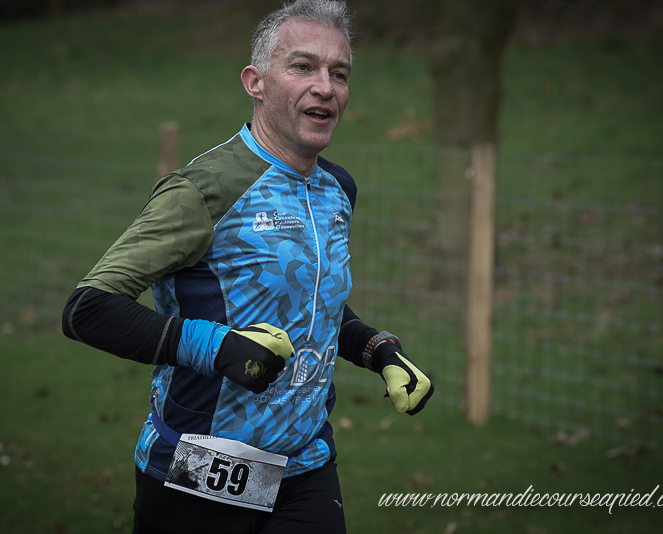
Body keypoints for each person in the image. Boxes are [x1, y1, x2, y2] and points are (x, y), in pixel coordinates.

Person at [61, 1, 434, 532]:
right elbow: (87, 310)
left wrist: (378, 350)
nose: (325, 87)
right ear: (255, 82)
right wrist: (217, 347)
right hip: (197, 471)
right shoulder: (204, 189)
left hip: (306, 469)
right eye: (303, 66)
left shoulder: (337, 189)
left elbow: (310, 303)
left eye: (339, 73)